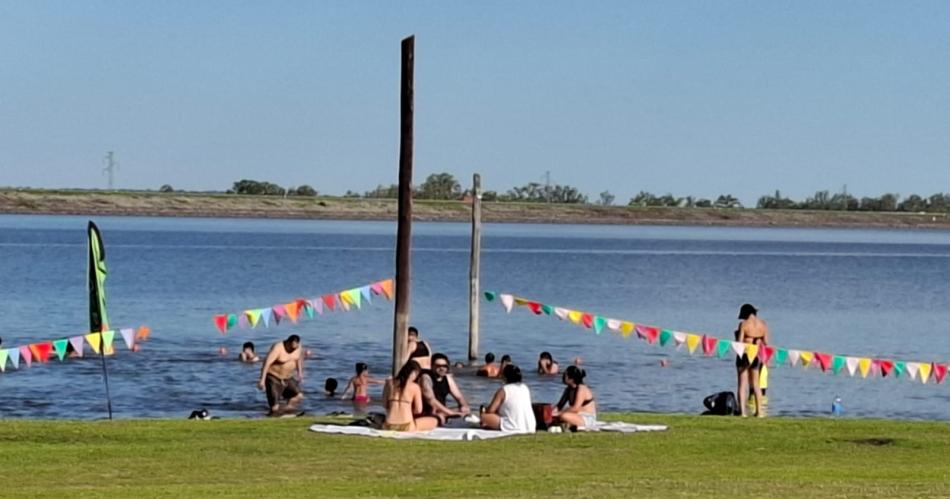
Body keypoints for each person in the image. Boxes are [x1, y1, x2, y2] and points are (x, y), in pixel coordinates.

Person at [382, 360, 439, 432]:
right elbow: (418, 410)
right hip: (407, 425)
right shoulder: (415, 387)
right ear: (414, 373)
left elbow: (384, 404)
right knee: (434, 420)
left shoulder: (389, 383)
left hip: (388, 425)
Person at [479, 364, 536, 433]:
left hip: (513, 426)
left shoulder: (504, 390)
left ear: (505, 377)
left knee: (484, 416)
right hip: (530, 425)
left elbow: (490, 410)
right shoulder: (525, 388)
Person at [257, 334, 305, 415]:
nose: (292, 350)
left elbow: (298, 359)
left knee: (299, 396)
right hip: (274, 377)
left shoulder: (298, 347)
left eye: (295, 348)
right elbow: (266, 363)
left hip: (288, 377)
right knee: (274, 407)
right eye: (291, 348)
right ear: (287, 343)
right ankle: (274, 413)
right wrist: (262, 380)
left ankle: (287, 409)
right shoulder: (278, 348)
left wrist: (300, 373)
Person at [736, 303, 770, 417]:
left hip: (744, 354)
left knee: (742, 384)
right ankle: (759, 412)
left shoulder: (744, 324)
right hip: (756, 355)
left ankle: (743, 412)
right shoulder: (763, 325)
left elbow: (739, 343)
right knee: (756, 384)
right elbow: (766, 344)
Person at [419, 353, 470, 424]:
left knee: (465, 410)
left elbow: (459, 397)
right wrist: (450, 413)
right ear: (432, 366)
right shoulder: (426, 378)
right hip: (428, 412)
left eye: (444, 366)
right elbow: (431, 400)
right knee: (441, 417)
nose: (442, 368)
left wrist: (464, 406)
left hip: (443, 412)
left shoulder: (447, 379)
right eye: (438, 366)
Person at [552, 365, 597, 429]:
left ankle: (569, 424)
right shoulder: (568, 389)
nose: (563, 377)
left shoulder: (581, 389)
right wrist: (552, 412)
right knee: (554, 417)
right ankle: (568, 424)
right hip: (575, 415)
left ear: (571, 379)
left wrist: (558, 413)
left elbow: (575, 408)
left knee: (563, 416)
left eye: (565, 375)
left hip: (586, 418)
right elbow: (559, 405)